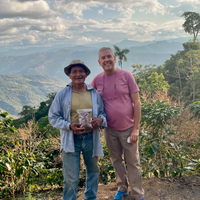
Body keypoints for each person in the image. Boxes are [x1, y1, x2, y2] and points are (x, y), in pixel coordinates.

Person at [91, 47, 144, 200]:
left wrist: (136, 129)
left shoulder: (126, 76)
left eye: (109, 56)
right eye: (103, 57)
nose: (107, 59)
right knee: (116, 160)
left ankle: (138, 194)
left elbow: (137, 102)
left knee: (133, 162)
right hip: (109, 129)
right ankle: (122, 188)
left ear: (114, 59)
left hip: (128, 128)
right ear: (99, 62)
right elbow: (89, 98)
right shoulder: (97, 80)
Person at [48, 59, 107, 200]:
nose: (78, 74)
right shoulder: (63, 94)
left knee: (93, 171)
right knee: (71, 177)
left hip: (90, 138)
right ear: (69, 74)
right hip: (70, 139)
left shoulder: (94, 94)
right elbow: (53, 116)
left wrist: (100, 120)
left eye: (81, 71)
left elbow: (103, 114)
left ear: (86, 74)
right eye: (74, 71)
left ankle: (90, 197)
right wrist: (69, 126)